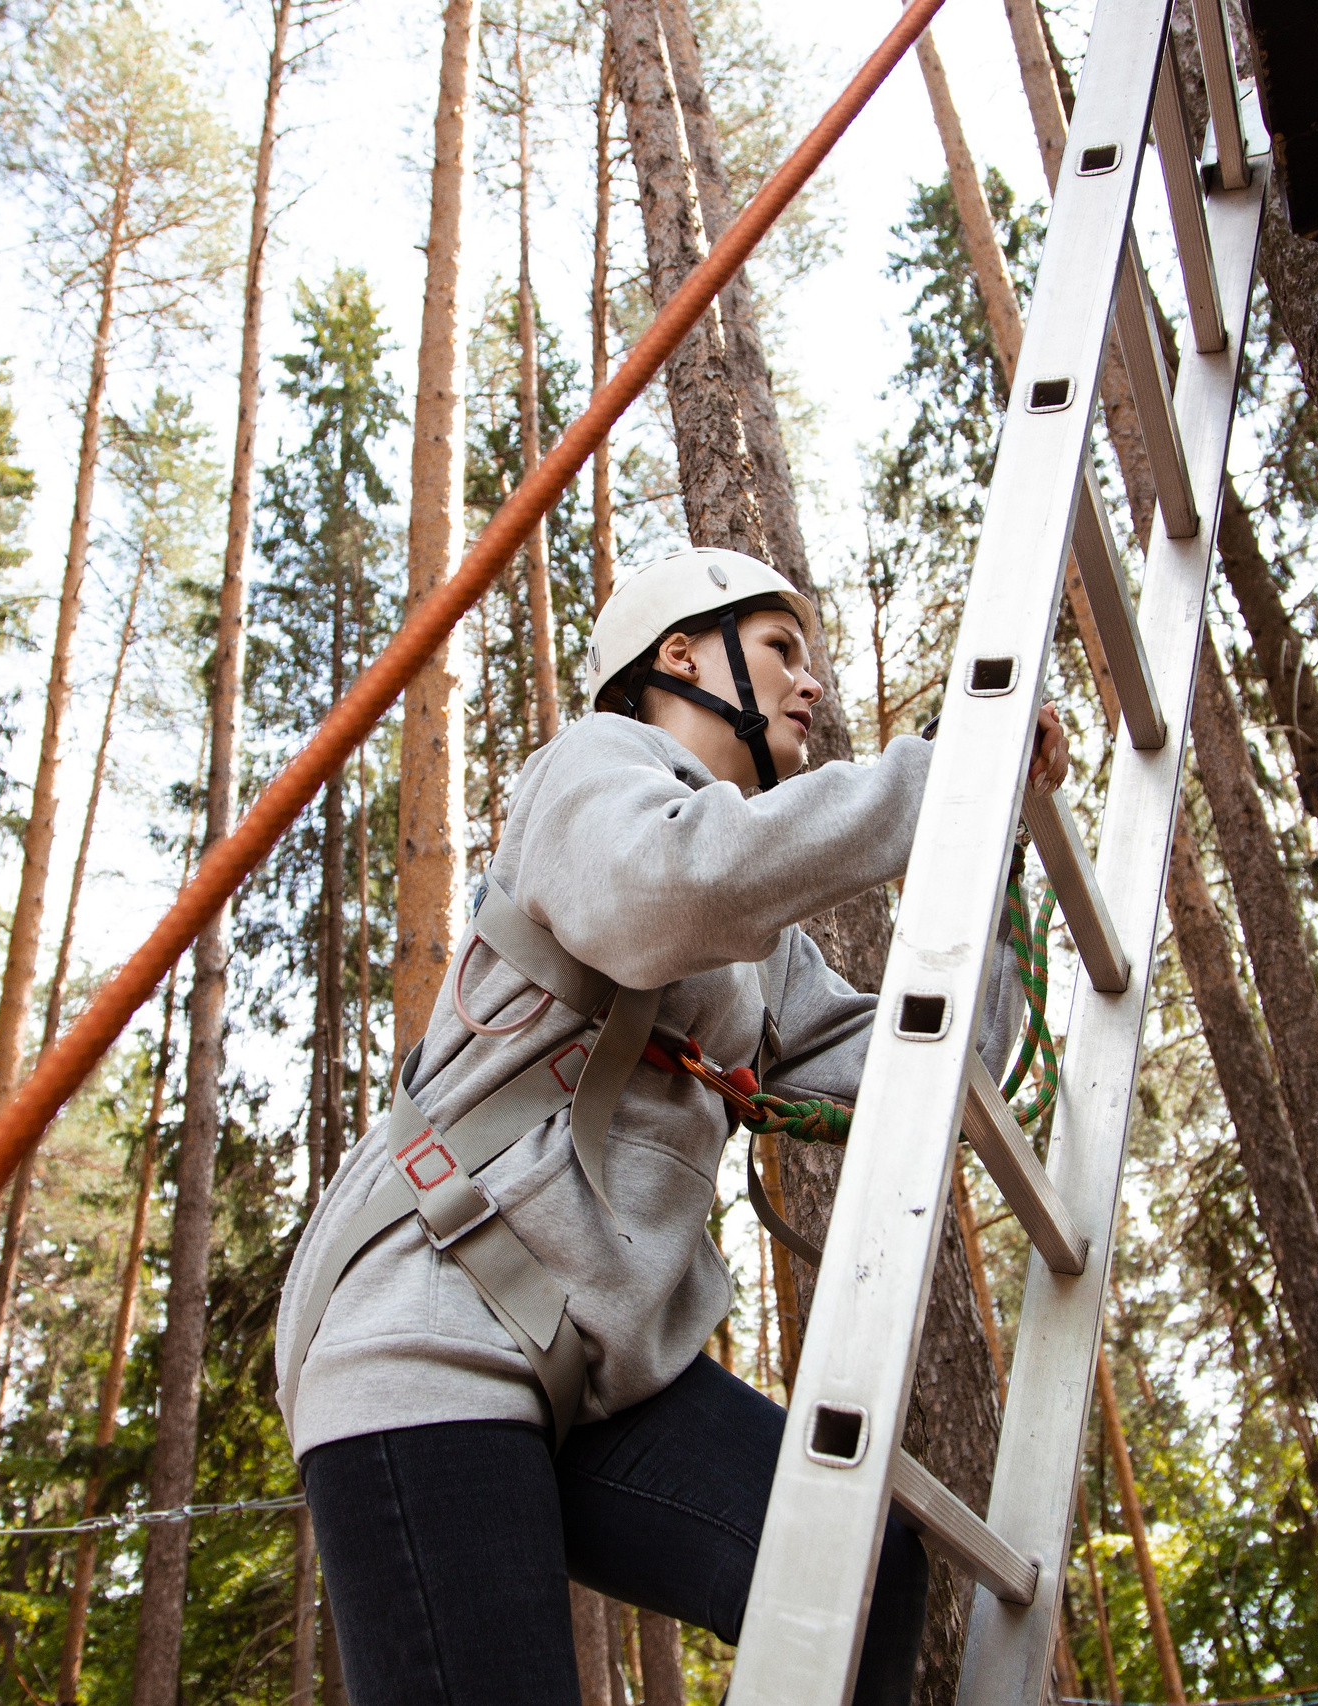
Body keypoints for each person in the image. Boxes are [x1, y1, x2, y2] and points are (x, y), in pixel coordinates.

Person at [274, 546, 1070, 1704]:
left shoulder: (761, 953)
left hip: (598, 1370)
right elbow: (664, 892)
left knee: (848, 1567)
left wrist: (983, 863)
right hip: (428, 1331)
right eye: (780, 650)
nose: (811, 686)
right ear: (681, 655)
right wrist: (948, 781)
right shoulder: (589, 772)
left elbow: (915, 1068)